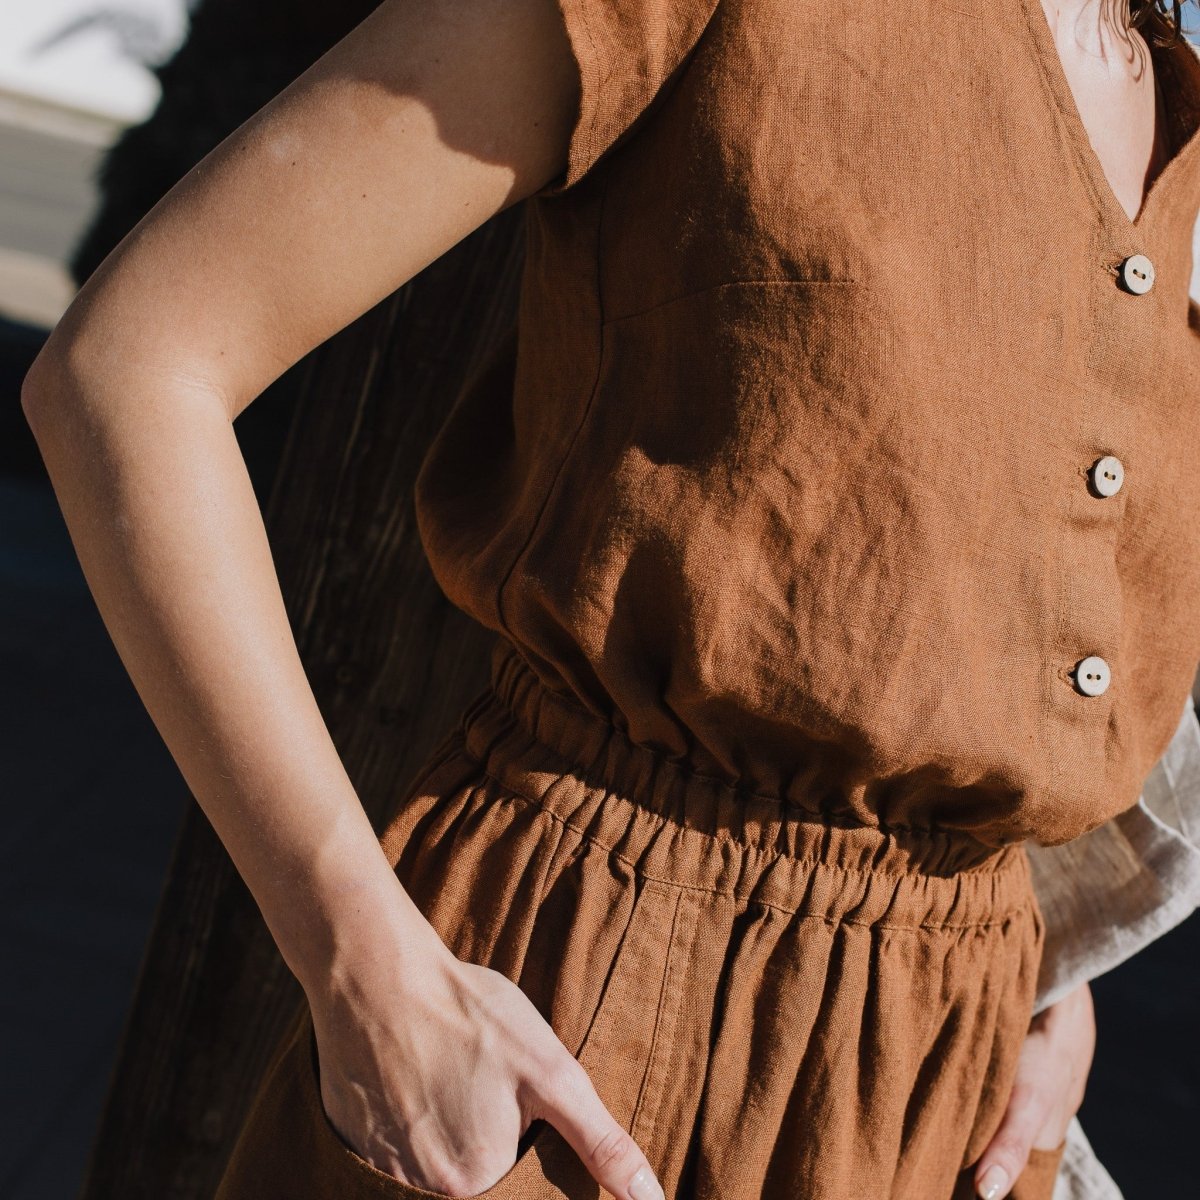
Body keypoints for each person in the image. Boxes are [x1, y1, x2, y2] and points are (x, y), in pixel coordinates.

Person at [19, 0, 1200, 1197]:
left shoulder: (1172, 92)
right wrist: (364, 965)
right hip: (592, 1039)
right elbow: (130, 367)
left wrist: (1049, 960)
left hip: (949, 1096)